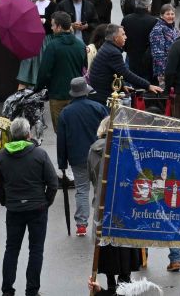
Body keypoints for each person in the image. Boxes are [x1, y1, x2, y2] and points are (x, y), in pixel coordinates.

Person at [0, 117, 57, 296]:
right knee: (36, 250)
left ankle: (7, 290)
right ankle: (32, 290)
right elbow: (53, 183)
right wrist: (46, 202)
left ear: (12, 135)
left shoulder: (3, 156)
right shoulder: (39, 154)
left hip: (14, 209)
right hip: (37, 208)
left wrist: (6, 200)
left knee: (11, 249)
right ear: (28, 134)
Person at [53, 77, 106, 239]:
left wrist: (62, 163)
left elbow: (61, 140)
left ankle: (81, 224)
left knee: (82, 190)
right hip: (98, 155)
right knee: (99, 189)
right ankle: (100, 222)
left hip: (77, 157)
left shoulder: (65, 113)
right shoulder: (98, 108)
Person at [35, 12, 86, 137]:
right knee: (75, 131)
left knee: (61, 132)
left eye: (52, 25)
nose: (51, 28)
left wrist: (38, 89)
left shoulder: (52, 46)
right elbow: (85, 69)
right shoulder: (80, 45)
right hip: (77, 95)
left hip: (57, 95)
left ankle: (63, 156)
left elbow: (44, 72)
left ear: (58, 27)